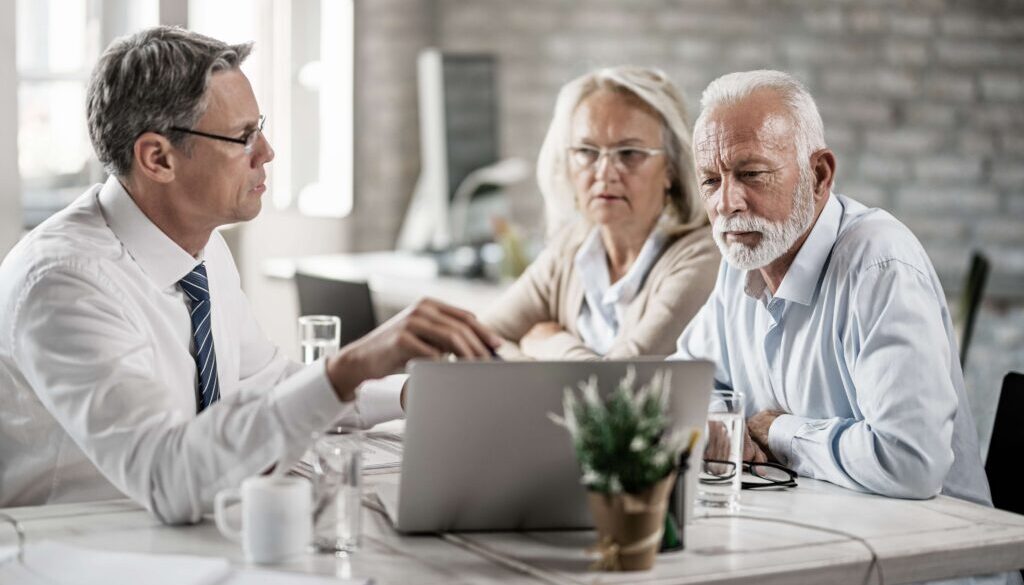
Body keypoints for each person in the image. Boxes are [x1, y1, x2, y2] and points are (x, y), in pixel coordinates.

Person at [0, 26, 499, 523]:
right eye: (243, 137)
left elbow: (269, 386)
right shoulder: (64, 281)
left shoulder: (201, 247)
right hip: (77, 552)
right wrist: (349, 366)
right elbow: (168, 478)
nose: (267, 152)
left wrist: (410, 393)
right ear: (158, 158)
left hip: (179, 542)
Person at [673, 69, 993, 506]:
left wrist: (776, 431)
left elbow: (912, 462)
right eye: (711, 180)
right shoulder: (742, 260)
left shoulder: (879, 265)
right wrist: (716, 420)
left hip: (933, 560)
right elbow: (685, 380)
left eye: (751, 173)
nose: (726, 203)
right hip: (818, 531)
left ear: (819, 175)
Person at [482, 67, 720, 360]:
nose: (604, 173)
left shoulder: (704, 258)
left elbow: (619, 391)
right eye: (586, 151)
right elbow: (475, 342)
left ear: (671, 167)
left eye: (629, 153)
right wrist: (535, 364)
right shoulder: (571, 250)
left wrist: (550, 344)